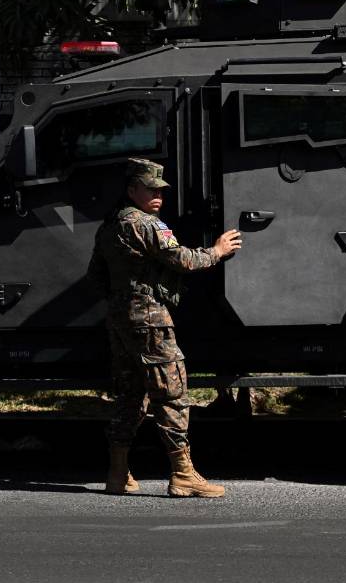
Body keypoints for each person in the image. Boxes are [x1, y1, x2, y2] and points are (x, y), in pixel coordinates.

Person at [87, 157, 241, 497]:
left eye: (161, 189)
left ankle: (117, 474)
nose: (158, 194)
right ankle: (183, 474)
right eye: (150, 188)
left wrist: (122, 298)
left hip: (121, 322)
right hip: (151, 321)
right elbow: (184, 260)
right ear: (132, 190)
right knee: (171, 393)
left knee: (130, 396)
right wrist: (217, 251)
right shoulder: (146, 224)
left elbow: (95, 276)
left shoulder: (110, 225)